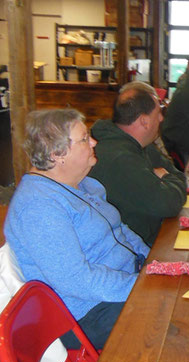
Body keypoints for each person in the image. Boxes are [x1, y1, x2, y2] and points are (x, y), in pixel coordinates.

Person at [4, 109, 149, 349]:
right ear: (57, 154)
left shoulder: (82, 184)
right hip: (84, 313)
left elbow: (119, 229)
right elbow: (78, 282)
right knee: (175, 321)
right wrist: (141, 286)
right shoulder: (39, 208)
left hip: (121, 284)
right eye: (84, 139)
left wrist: (152, 261)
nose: (94, 142)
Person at [90, 82, 187, 246]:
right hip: (137, 252)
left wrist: (167, 178)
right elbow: (169, 203)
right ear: (144, 121)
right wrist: (166, 177)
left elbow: (180, 179)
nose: (162, 118)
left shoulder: (141, 145)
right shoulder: (121, 159)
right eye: (158, 112)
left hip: (154, 235)